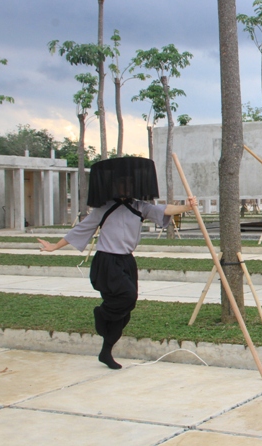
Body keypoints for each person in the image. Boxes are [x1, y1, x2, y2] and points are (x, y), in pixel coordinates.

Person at [37, 157, 196, 370]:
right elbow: (80, 230)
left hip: (126, 261)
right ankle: (101, 314)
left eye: (129, 184)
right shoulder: (103, 209)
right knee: (127, 297)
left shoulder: (140, 207)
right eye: (121, 184)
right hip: (107, 261)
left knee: (127, 308)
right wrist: (54, 246)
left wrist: (187, 206)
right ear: (113, 186)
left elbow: (165, 210)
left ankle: (106, 351)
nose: (125, 187)